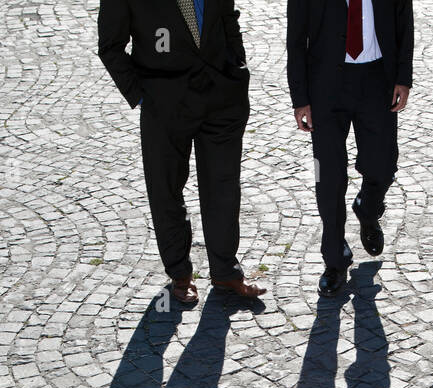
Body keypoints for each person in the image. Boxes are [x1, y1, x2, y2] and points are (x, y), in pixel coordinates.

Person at [99, 0, 266, 306]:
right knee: (167, 189)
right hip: (165, 105)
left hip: (223, 96)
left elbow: (227, 16)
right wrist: (142, 97)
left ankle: (226, 269)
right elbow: (110, 46)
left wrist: (238, 67)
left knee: (224, 185)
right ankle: (180, 274)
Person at [288, 0, 415, 296]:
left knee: (383, 165)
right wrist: (300, 98)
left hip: (377, 79)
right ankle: (335, 260)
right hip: (325, 86)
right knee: (329, 176)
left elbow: (404, 23)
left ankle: (368, 208)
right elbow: (295, 37)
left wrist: (403, 77)